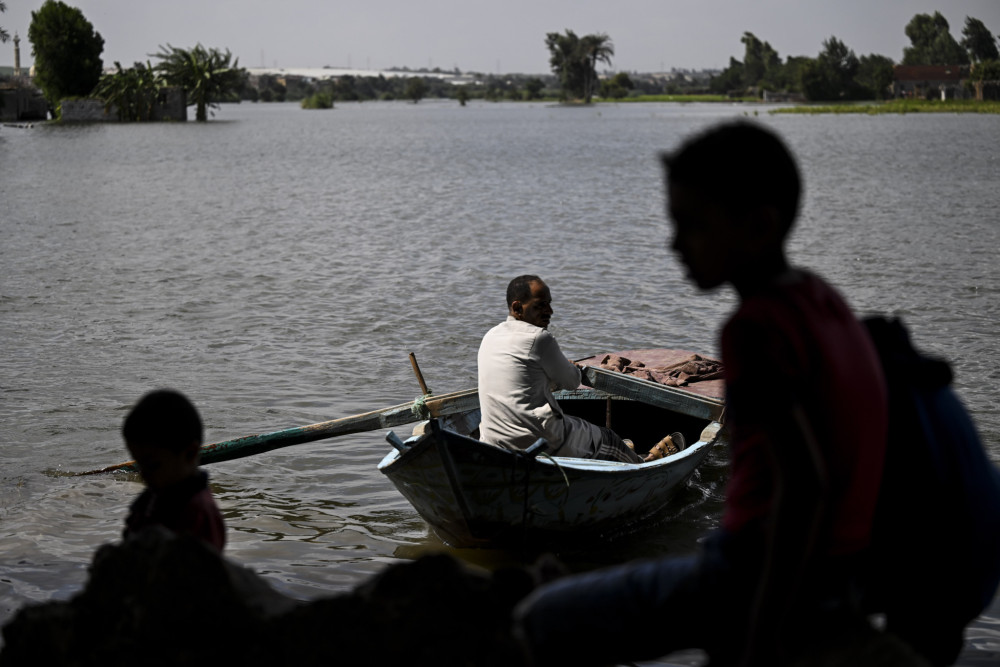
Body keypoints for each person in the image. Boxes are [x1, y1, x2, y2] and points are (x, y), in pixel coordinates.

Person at [513, 122, 891, 666]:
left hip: (749, 567)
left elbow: (803, 484)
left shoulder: (755, 330)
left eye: (692, 226)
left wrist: (761, 628)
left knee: (540, 617)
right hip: (842, 563)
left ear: (758, 225)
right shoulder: (818, 297)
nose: (674, 244)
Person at [477, 275, 646, 464]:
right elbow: (572, 381)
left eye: (549, 304)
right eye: (541, 305)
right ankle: (644, 465)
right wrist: (571, 368)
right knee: (610, 439)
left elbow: (525, 375)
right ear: (517, 308)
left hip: (492, 441)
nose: (550, 311)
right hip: (539, 441)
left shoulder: (490, 336)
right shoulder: (540, 338)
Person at [121, 389, 226, 552]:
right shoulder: (156, 494)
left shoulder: (198, 514)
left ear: (190, 454)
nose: (143, 474)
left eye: (153, 466)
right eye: (140, 465)